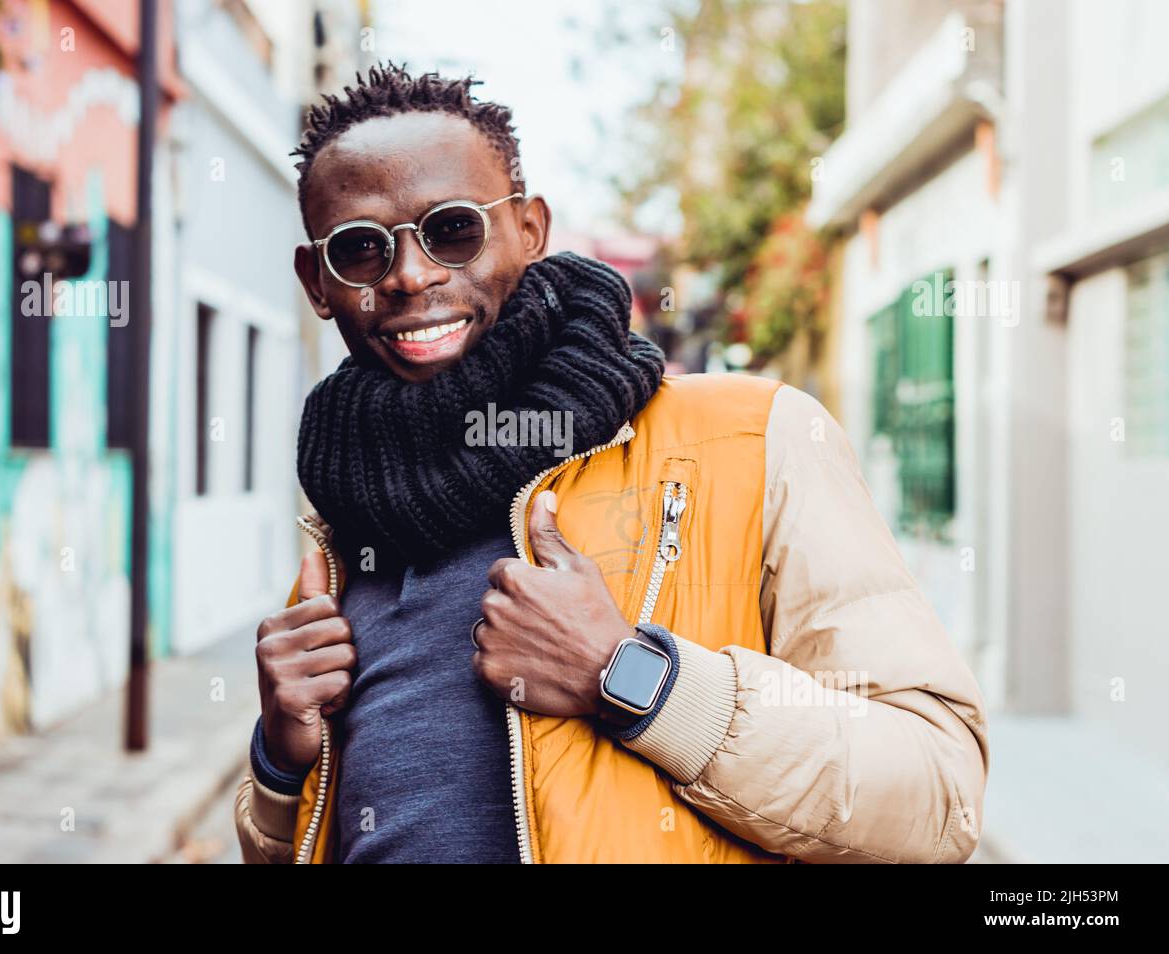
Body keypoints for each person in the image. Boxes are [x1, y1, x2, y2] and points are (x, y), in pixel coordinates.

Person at [235, 63, 988, 864]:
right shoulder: (347, 513)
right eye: (360, 248)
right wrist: (281, 763)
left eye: (452, 229)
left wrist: (628, 676)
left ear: (529, 228)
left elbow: (938, 800)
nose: (411, 275)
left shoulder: (754, 437)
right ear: (317, 281)